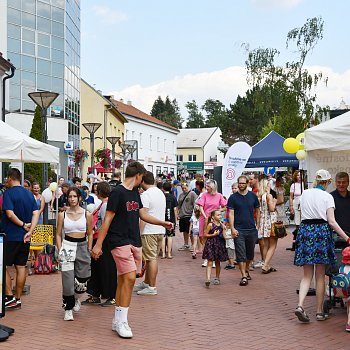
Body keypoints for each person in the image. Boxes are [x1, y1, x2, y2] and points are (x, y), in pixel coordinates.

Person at [91, 162, 172, 339]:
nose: (142, 181)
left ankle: (117, 318)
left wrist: (162, 223)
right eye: (142, 178)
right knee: (129, 277)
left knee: (124, 280)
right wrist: (98, 245)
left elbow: (142, 214)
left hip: (134, 240)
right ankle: (122, 322)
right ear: (138, 176)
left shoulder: (135, 192)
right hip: (118, 241)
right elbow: (107, 221)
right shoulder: (117, 193)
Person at [294, 169, 350, 323]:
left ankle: (300, 305)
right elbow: (331, 221)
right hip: (320, 232)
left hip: (305, 231)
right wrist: (347, 237)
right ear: (327, 182)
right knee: (320, 275)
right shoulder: (327, 197)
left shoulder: (305, 193)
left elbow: (299, 213)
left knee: (307, 275)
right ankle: (319, 312)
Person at [3, 168, 39, 309]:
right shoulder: (29, 194)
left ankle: (9, 296)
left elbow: (10, 214)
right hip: (25, 237)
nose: (6, 181)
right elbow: (36, 213)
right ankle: (17, 298)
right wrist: (30, 230)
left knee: (3, 266)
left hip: (10, 235)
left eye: (7, 179)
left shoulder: (8, 193)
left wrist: (23, 225)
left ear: (11, 178)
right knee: (21, 267)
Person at [56, 187, 93, 321]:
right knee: (67, 280)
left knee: (83, 280)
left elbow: (90, 232)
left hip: (82, 246)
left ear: (79, 198)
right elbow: (58, 234)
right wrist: (60, 250)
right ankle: (68, 308)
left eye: (74, 196)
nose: (72, 199)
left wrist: (89, 248)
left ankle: (76, 298)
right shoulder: (62, 214)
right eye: (70, 196)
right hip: (67, 246)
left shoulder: (86, 214)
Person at [83, 182, 117, 306]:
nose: (95, 191)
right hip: (99, 239)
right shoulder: (103, 204)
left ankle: (110, 295)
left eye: (97, 190)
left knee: (106, 268)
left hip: (102, 240)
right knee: (98, 268)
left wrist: (100, 244)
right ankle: (96, 293)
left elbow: (104, 225)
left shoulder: (105, 205)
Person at [135, 171, 166, 295]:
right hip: (159, 229)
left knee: (151, 258)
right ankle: (147, 283)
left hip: (149, 230)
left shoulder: (146, 195)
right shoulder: (160, 193)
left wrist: (139, 232)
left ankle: (152, 287)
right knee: (150, 258)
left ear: (143, 181)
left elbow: (144, 215)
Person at [228, 175, 260, 286]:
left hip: (251, 228)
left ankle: (246, 269)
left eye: (243, 183)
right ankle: (243, 276)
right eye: (239, 183)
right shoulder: (233, 198)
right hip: (239, 229)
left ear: (247, 183)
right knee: (241, 253)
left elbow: (258, 210)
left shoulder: (253, 196)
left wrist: (258, 225)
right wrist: (232, 228)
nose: (241, 185)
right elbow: (231, 214)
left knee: (250, 254)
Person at [197, 180, 227, 267]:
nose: (206, 188)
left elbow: (225, 206)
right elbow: (200, 206)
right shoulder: (204, 195)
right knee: (203, 236)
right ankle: (207, 257)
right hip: (205, 218)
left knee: (214, 238)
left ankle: (213, 258)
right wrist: (204, 215)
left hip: (215, 219)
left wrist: (217, 211)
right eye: (206, 186)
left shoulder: (219, 195)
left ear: (213, 187)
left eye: (208, 187)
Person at [202, 209, 229, 287]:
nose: (220, 216)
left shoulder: (222, 225)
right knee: (210, 262)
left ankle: (217, 277)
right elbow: (205, 234)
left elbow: (225, 236)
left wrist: (232, 237)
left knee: (218, 262)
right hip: (211, 244)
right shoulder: (210, 224)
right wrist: (213, 234)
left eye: (220, 214)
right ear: (213, 217)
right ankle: (208, 279)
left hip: (219, 244)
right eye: (218, 215)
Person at [258, 179, 279, 274]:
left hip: (264, 221)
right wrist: (274, 202)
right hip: (271, 221)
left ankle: (266, 263)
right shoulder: (269, 196)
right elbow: (271, 209)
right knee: (273, 244)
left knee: (266, 244)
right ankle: (266, 265)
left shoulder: (259, 196)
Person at [177, 182, 198, 251]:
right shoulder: (181, 195)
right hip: (182, 215)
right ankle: (186, 244)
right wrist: (178, 214)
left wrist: (194, 214)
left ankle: (193, 245)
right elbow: (178, 205)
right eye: (182, 188)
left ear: (188, 187)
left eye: (185, 188)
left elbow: (196, 204)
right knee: (184, 231)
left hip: (189, 215)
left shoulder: (192, 194)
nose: (184, 189)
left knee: (191, 231)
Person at [162, 182, 177, 259]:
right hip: (171, 219)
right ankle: (169, 254)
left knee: (163, 236)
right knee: (170, 236)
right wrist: (176, 220)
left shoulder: (161, 196)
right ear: (171, 188)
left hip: (161, 220)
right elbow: (175, 209)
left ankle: (163, 254)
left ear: (163, 188)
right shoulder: (173, 197)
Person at [289, 170, 303, 250]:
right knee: (297, 223)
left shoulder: (304, 185)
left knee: (303, 222)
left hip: (303, 204)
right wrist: (291, 207)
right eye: (298, 175)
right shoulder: (293, 185)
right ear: (295, 176)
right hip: (296, 203)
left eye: (300, 175)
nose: (299, 177)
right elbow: (291, 197)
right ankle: (298, 241)